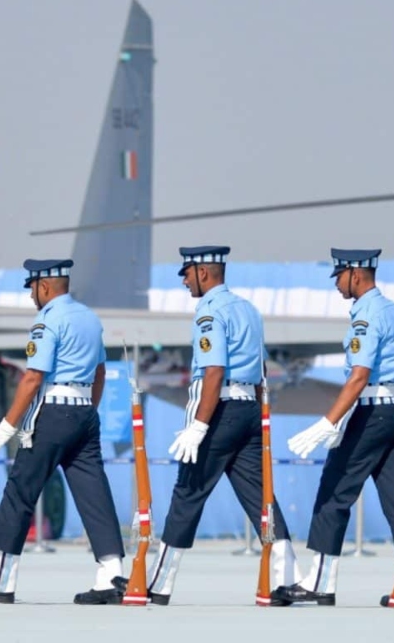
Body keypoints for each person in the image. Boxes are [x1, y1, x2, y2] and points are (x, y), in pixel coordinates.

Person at [121, 246, 298, 605]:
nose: (185, 280)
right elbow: (260, 370)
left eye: (187, 273)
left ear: (204, 272)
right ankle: (286, 577)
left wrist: (200, 426)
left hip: (220, 410)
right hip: (248, 408)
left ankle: (159, 583)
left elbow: (214, 370)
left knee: (188, 492)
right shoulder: (248, 309)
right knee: (260, 498)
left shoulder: (210, 313)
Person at [0, 259, 125, 604]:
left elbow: (32, 377)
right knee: (94, 494)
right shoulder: (89, 317)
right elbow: (100, 372)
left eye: (32, 288)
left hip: (52, 412)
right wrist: (87, 410)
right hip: (85, 411)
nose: (31, 296)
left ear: (44, 286)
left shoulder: (47, 320)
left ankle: (1, 578)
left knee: (20, 491)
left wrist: (6, 426)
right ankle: (111, 574)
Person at [278, 248, 394, 607]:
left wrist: (328, 422)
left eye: (338, 275)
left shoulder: (366, 315)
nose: (336, 283)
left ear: (355, 274)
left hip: (371, 412)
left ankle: (320, 583)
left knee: (334, 491)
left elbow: (359, 376)